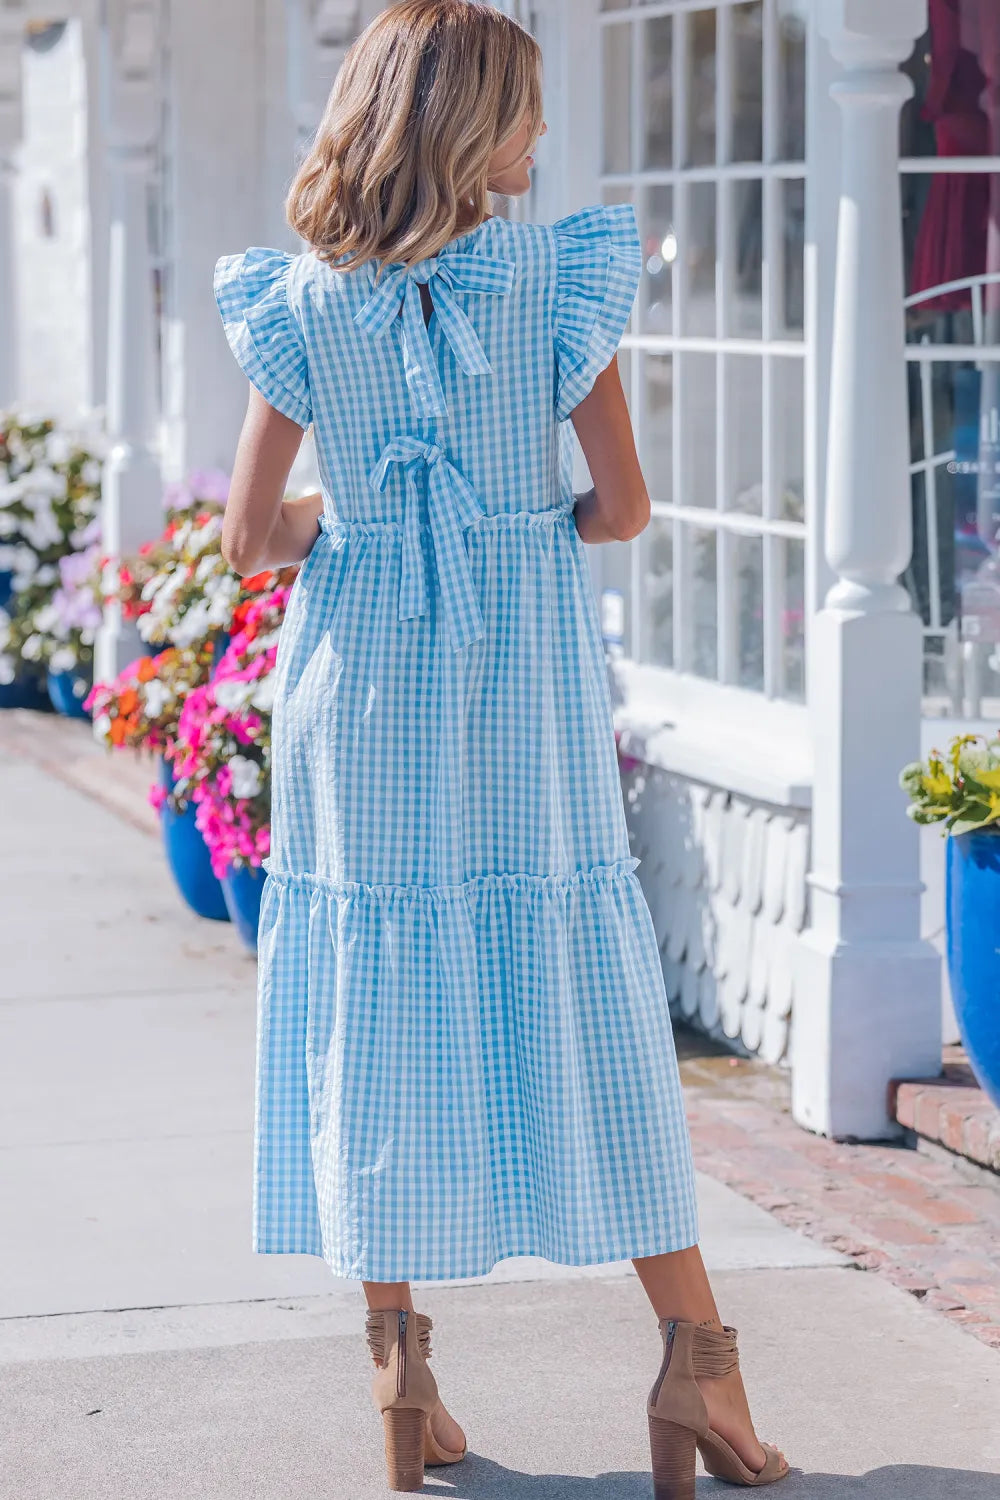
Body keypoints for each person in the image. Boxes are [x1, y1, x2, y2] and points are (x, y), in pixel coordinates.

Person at [214, 2, 789, 1493]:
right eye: (525, 111)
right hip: (513, 689)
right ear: (471, 127)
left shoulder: (301, 304)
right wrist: (508, 522)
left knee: (376, 989)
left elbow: (243, 543)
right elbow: (626, 507)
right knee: (584, 1002)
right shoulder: (553, 280)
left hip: (356, 689)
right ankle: (698, 1376)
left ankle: (401, 1372)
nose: (540, 138)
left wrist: (366, 517)